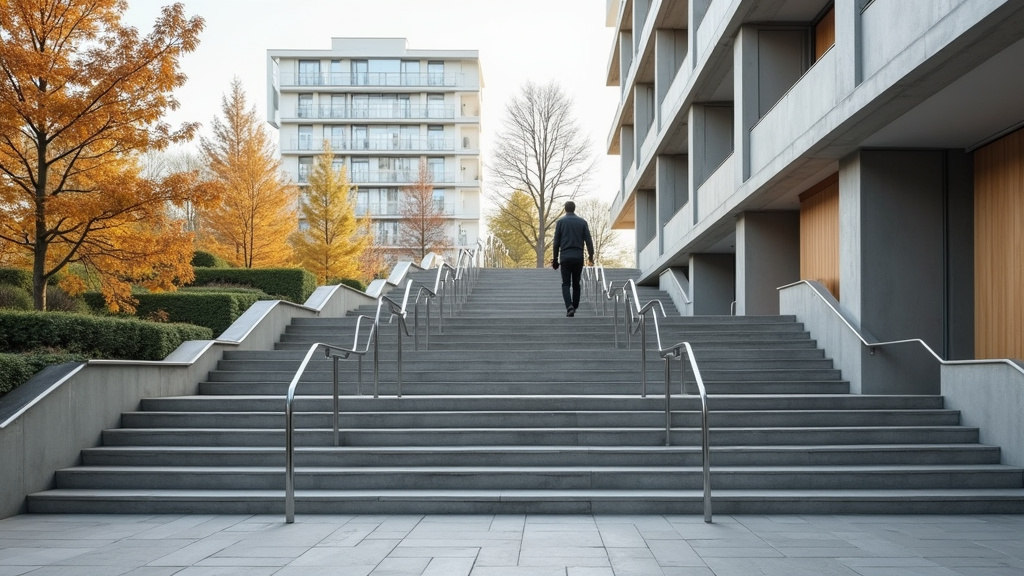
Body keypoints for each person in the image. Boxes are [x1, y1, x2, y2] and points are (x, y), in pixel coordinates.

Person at [551, 200, 595, 317]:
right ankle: (574, 306)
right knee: (576, 283)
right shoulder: (582, 222)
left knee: (566, 284)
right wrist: (591, 256)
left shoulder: (560, 222)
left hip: (565, 256)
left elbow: (556, 242)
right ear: (574, 209)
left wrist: (555, 258)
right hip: (578, 256)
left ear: (565, 209)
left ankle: (569, 306)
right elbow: (589, 241)